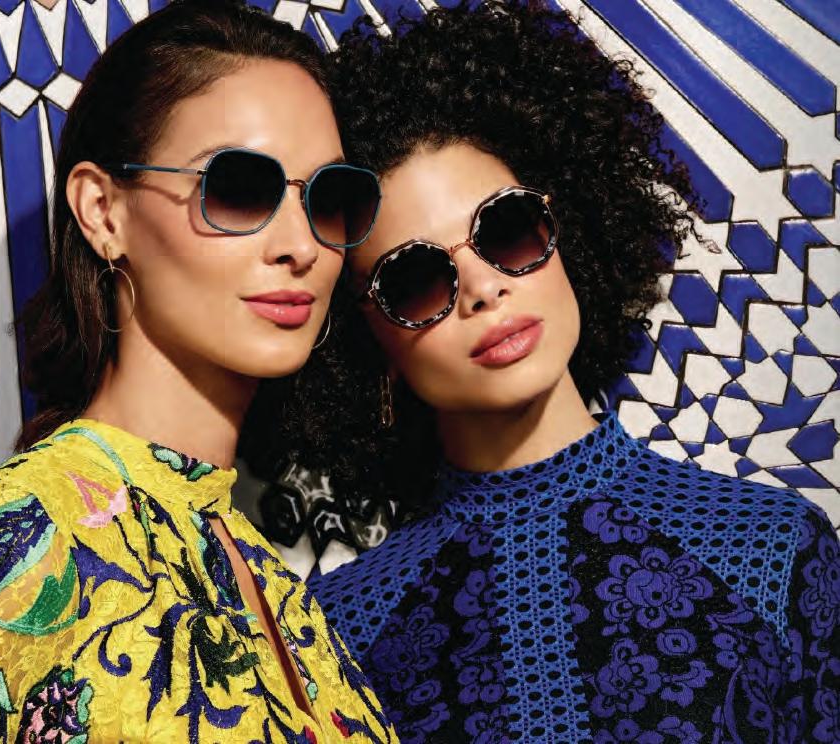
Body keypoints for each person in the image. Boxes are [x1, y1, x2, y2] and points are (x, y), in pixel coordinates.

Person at [251, 2, 840, 741]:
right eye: (415, 279)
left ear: (568, 235)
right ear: (367, 342)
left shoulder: (771, 547)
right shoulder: (341, 628)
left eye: (505, 229)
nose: (483, 288)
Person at [0, 2, 397, 742]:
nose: (301, 246)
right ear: (103, 212)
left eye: (330, 199)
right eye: (239, 187)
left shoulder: (288, 597)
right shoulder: (17, 541)